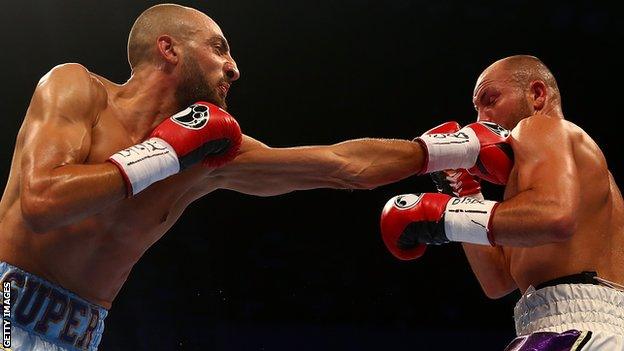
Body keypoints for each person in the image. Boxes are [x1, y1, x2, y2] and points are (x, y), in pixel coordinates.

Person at [0, 3, 495, 350]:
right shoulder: (77, 89)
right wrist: (162, 154)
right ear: (168, 49)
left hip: (77, 337)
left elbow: (341, 166)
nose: (233, 68)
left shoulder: (209, 156)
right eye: (218, 48)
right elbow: (42, 201)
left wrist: (447, 149)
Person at [380, 55, 624, 350]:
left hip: (579, 326)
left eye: (490, 99)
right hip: (563, 325)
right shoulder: (533, 192)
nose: (481, 119)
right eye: (477, 108)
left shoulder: (544, 128)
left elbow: (557, 217)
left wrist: (441, 217)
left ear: (537, 95)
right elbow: (497, 281)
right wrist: (464, 191)